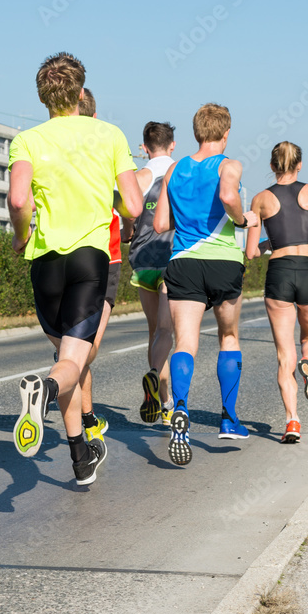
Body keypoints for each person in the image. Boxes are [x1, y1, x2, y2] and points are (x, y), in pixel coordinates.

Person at [9, 53, 143, 486]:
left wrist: (20, 236)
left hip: (45, 262)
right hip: (89, 259)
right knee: (70, 361)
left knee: (66, 357)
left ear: (42, 97)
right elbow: (134, 204)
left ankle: (81, 458)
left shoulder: (26, 140)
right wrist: (111, 199)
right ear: (81, 92)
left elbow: (18, 200)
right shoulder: (110, 134)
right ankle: (46, 391)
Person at [153, 103, 258, 466]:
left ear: (197, 133)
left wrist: (189, 219)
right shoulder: (230, 165)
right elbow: (229, 196)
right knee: (228, 336)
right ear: (226, 134)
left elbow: (160, 224)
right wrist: (243, 220)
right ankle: (229, 419)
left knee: (185, 342)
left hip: (183, 262)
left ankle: (180, 409)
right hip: (223, 262)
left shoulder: (175, 169)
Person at [246, 142, 308, 443]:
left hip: (279, 272)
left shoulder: (260, 199)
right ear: (299, 164)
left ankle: (292, 421)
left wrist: (269, 244)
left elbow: (251, 252)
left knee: (284, 354)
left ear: (272, 166)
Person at [73, 88, 122, 446]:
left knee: (74, 345)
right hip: (105, 253)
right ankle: (56, 380)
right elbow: (130, 202)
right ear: (94, 115)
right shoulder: (108, 142)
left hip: (56, 254)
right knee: (85, 347)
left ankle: (88, 421)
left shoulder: (48, 144)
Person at [126, 121, 177, 426]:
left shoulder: (137, 177)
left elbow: (127, 218)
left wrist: (129, 232)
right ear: (173, 145)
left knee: (153, 331)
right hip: (172, 258)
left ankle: (162, 396)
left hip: (143, 261)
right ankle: (167, 399)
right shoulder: (180, 172)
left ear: (144, 148)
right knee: (167, 332)